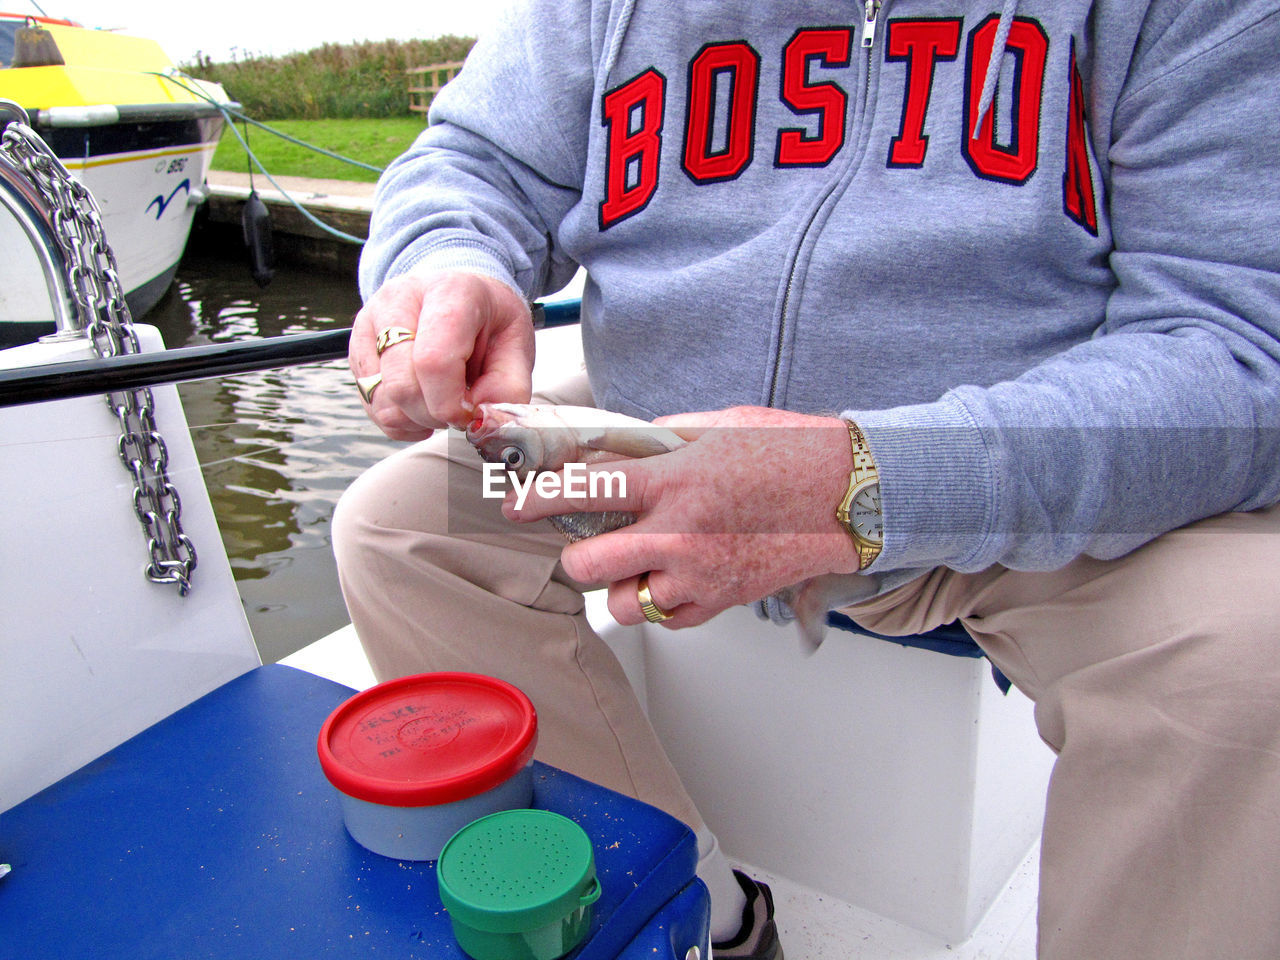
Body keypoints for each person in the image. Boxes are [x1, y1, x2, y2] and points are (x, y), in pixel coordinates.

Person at [333, 1, 1280, 957]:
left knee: (1248, 663)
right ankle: (696, 912)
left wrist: (866, 481)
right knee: (407, 528)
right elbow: (476, 160)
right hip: (653, 447)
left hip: (1024, 495)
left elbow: (1241, 349)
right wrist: (446, 261)